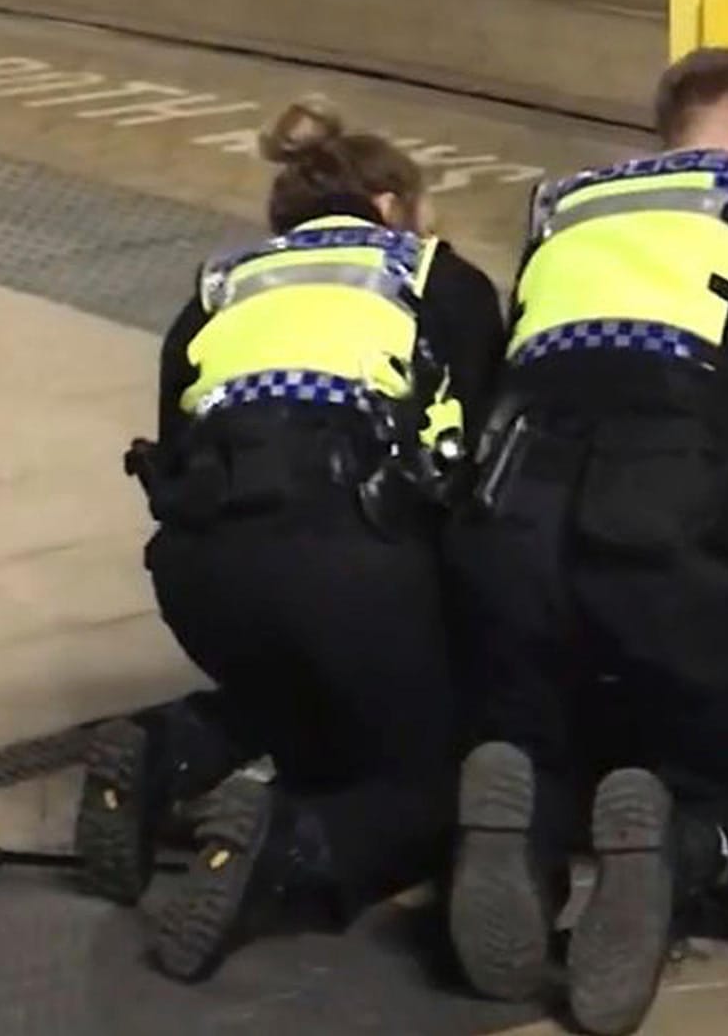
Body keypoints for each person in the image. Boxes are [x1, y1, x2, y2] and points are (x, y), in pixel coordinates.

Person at [445, 48, 728, 1035]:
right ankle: (677, 845)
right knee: (716, 740)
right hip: (661, 500)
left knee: (545, 723)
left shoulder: (566, 203)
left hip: (514, 515)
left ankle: (528, 834)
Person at [74, 98, 506, 980]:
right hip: (349, 557)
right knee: (422, 781)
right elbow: (486, 464)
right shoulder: (432, 275)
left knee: (304, 699)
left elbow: (174, 448)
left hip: (202, 574)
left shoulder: (217, 289)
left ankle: (162, 755)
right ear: (388, 204)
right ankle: (284, 850)